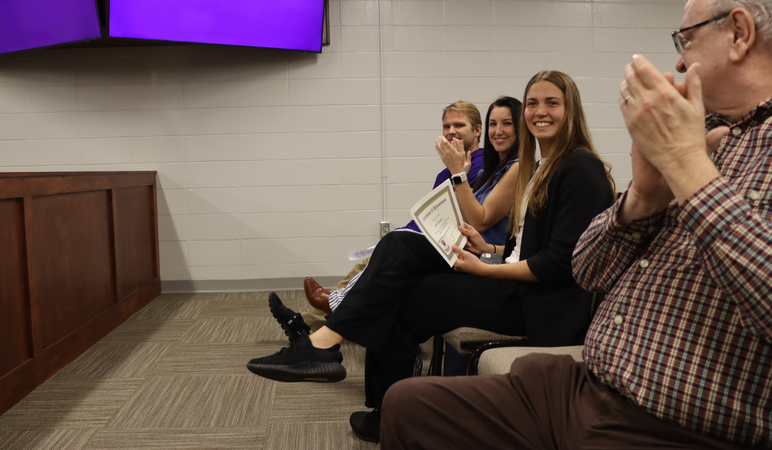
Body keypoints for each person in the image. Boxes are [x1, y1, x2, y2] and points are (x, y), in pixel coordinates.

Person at [379, 0, 772, 448]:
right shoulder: (707, 137)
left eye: (687, 39)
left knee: (411, 277)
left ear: (739, 33)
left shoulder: (607, 162)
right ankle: (333, 327)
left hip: (671, 411)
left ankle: (330, 331)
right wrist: (641, 199)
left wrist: (686, 168)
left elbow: (556, 266)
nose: (680, 61)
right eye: (530, 104)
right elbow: (589, 269)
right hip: (588, 381)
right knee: (407, 404)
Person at [248, 70, 615, 443]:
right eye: (533, 103)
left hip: (536, 305)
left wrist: (486, 270)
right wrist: (488, 249)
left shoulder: (580, 167)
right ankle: (374, 398)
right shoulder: (545, 168)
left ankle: (331, 352)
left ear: (572, 110)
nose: (540, 111)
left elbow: (561, 263)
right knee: (399, 262)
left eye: (552, 102)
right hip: (511, 280)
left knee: (403, 272)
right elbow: (532, 247)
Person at [271, 98, 520, 341]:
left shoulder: (481, 165)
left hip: (461, 249)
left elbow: (472, 217)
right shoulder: (478, 166)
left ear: (476, 131)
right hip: (444, 240)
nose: (452, 132)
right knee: (383, 254)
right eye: (447, 127)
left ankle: (333, 306)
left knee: (388, 255)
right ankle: (310, 320)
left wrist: (457, 174)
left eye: (459, 126)